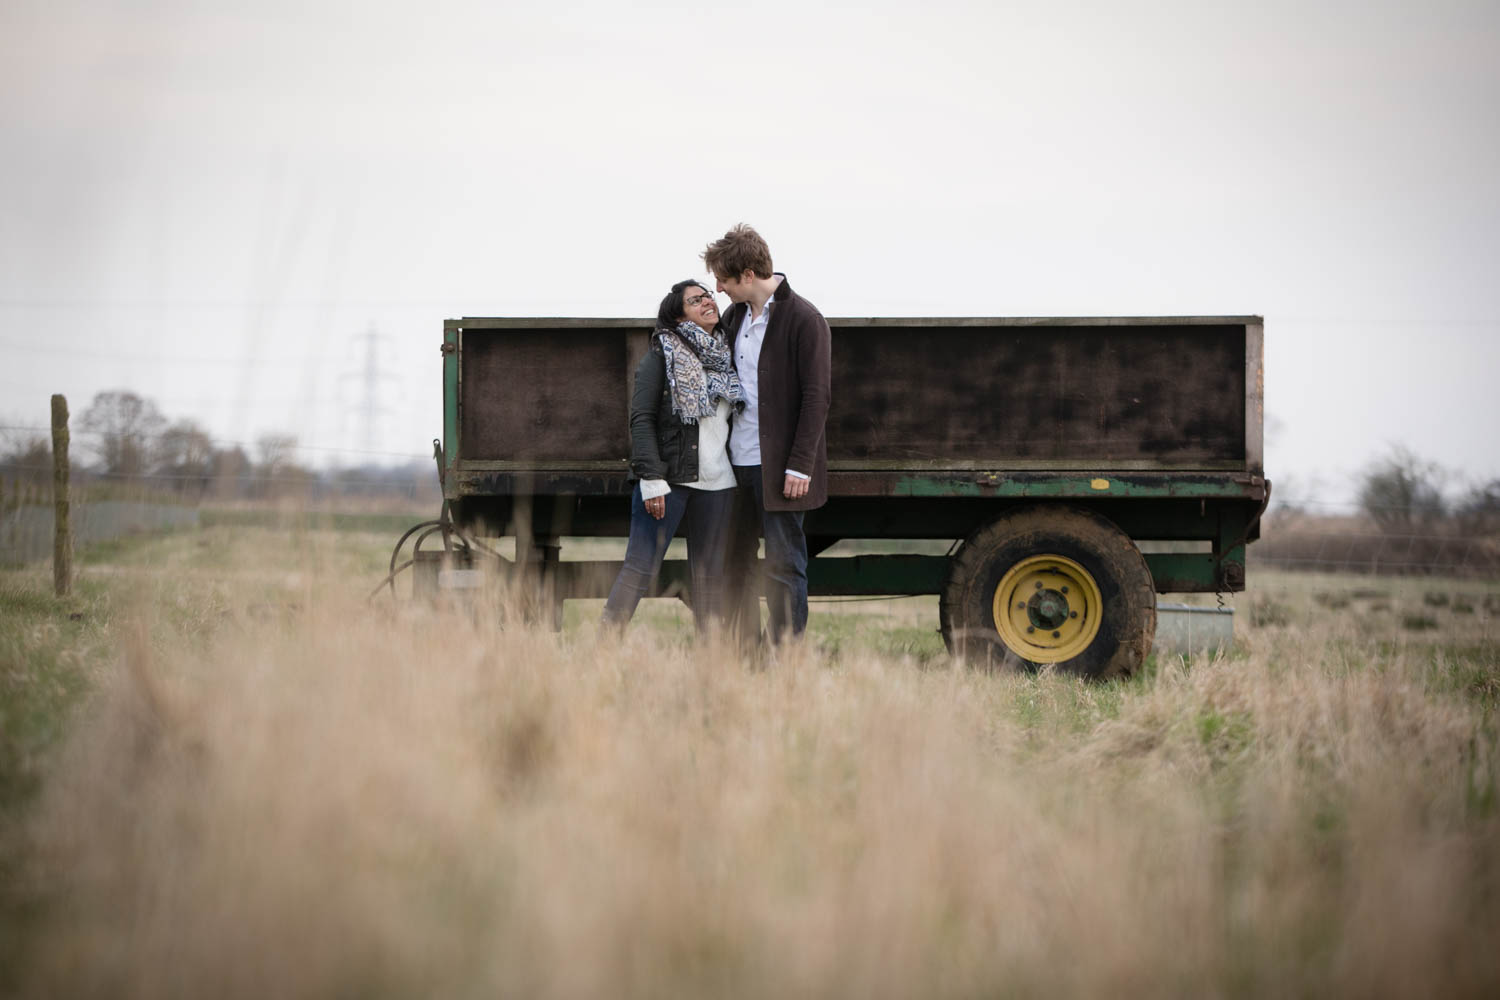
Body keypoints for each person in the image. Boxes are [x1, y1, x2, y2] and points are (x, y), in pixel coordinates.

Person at [703, 224, 831, 643]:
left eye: (723, 279)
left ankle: (787, 657)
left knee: (783, 565)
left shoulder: (805, 319)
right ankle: (745, 654)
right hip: (734, 465)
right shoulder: (734, 316)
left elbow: (817, 398)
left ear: (746, 275)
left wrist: (800, 465)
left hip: (781, 469)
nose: (718, 289)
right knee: (734, 563)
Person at [600, 279, 745, 633]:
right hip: (668, 482)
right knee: (640, 569)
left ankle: (712, 661)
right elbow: (642, 417)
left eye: (707, 295)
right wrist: (650, 478)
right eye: (695, 301)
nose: (707, 302)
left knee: (710, 579)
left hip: (719, 483)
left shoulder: (725, 357)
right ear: (679, 319)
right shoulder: (661, 356)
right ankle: (602, 650)